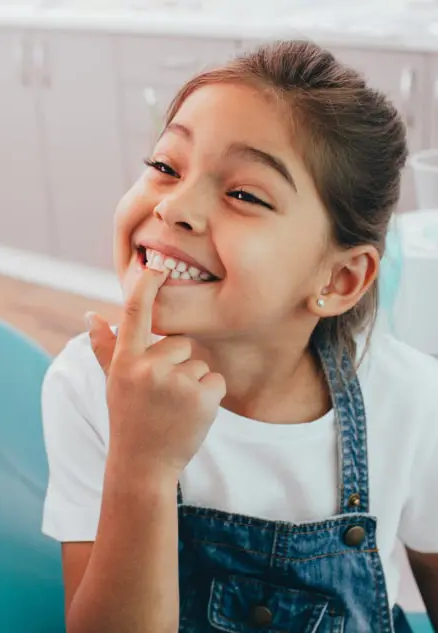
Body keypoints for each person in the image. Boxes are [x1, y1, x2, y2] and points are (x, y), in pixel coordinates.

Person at [40, 40, 438, 632]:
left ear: (339, 277)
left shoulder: (411, 399)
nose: (174, 206)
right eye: (165, 166)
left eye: (244, 194)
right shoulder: (86, 385)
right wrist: (141, 464)